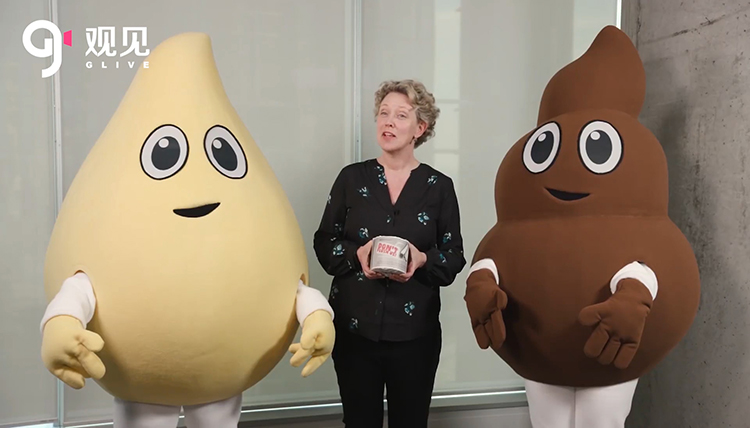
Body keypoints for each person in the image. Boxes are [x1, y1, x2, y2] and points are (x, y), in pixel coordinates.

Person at [313, 79, 466, 428]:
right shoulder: (351, 179)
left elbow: (454, 256)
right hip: (355, 331)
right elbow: (324, 241)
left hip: (416, 335)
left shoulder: (439, 187)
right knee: (359, 422)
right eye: (383, 113)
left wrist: (423, 259)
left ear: (420, 128)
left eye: (400, 115)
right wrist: (358, 255)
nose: (388, 122)